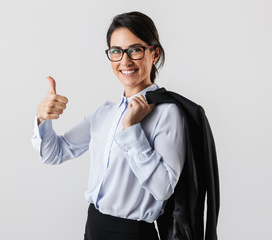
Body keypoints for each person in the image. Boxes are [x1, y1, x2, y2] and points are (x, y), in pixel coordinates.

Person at [31, 11, 186, 240]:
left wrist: (131, 129)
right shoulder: (104, 113)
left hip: (133, 233)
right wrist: (43, 118)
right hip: (94, 227)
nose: (125, 61)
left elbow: (163, 188)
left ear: (154, 54)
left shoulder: (168, 113)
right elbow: (54, 153)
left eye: (135, 49)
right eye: (116, 51)